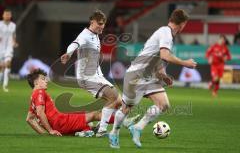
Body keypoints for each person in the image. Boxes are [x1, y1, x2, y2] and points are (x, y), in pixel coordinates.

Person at [109, 9, 197, 148]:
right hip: (136, 75)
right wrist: (185, 63)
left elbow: (158, 61)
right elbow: (165, 56)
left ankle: (137, 127)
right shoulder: (166, 34)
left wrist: (164, 76)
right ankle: (114, 133)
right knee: (126, 109)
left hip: (149, 77)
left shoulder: (166, 33)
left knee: (164, 105)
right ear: (182, 24)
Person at [60, 10, 122, 137]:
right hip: (87, 77)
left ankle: (98, 124)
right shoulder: (85, 35)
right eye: (99, 23)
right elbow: (75, 43)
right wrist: (68, 53)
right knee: (113, 95)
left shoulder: (95, 35)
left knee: (119, 101)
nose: (101, 26)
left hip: (97, 75)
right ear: (92, 22)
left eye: (103, 24)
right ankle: (102, 131)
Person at [26, 69, 138, 136]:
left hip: (60, 121)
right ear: (36, 82)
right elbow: (40, 113)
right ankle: (125, 122)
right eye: (43, 79)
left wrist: (44, 134)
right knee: (94, 115)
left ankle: (86, 131)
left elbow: (30, 119)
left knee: (87, 115)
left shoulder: (33, 96)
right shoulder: (39, 92)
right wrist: (50, 131)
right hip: (60, 122)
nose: (46, 80)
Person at [0, 9, 18, 92]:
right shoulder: (0, 24)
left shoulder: (13, 25)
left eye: (8, 14)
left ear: (10, 16)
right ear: (3, 15)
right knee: (1, 67)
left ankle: (5, 85)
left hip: (9, 48)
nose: (7, 16)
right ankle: (1, 79)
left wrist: (14, 43)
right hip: (0, 48)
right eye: (6, 14)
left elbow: (14, 36)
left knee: (7, 64)